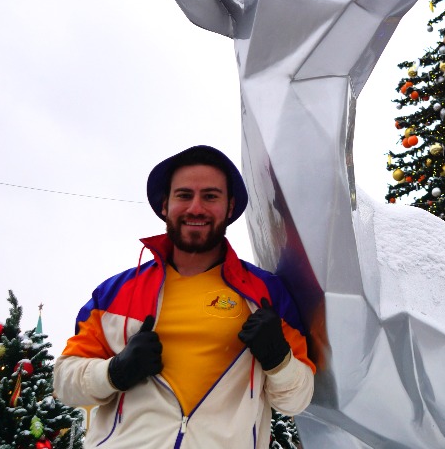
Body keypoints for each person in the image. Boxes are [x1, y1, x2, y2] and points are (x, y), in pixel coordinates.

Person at [54, 145, 315, 448]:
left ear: (229, 207)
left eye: (210, 196)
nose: (196, 208)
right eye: (184, 195)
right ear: (165, 205)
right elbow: (64, 382)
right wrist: (114, 372)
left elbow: (296, 400)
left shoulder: (268, 294)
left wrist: (278, 359)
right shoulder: (115, 292)